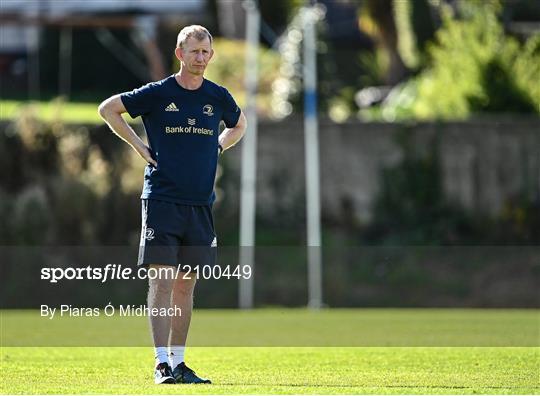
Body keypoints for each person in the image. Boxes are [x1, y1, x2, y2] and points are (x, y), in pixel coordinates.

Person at [98, 25, 247, 385]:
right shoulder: (159, 92)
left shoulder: (218, 96)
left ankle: (180, 363)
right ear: (180, 54)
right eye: (194, 51)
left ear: (211, 56)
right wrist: (138, 146)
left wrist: (219, 145)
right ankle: (161, 363)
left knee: (185, 285)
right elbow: (108, 109)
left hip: (200, 205)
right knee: (161, 282)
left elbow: (239, 124)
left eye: (205, 52)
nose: (200, 57)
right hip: (163, 201)